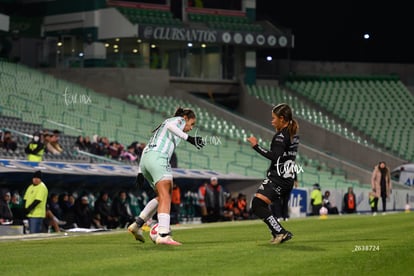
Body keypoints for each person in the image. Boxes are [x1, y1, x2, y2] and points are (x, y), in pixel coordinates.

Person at [127, 107, 205, 245]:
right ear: (186, 118)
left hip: (146, 160)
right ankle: (163, 234)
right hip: (158, 158)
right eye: (192, 124)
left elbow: (147, 146)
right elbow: (170, 126)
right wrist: (190, 139)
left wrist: (140, 171)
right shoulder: (179, 120)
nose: (191, 128)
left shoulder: (163, 127)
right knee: (166, 195)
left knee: (161, 196)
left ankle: (137, 224)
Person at [246, 103, 298, 244]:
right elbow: (289, 158)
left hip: (279, 178)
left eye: (274, 118)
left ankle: (280, 232)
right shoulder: (291, 134)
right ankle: (277, 232)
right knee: (259, 204)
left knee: (257, 205)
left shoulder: (281, 136)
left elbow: (276, 156)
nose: (272, 121)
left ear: (282, 119)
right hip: (286, 177)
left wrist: (255, 146)